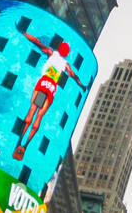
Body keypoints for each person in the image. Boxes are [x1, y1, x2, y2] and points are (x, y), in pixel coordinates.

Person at [14, 32, 88, 160]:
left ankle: (19, 142)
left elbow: (36, 41)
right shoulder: (66, 65)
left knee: (31, 111)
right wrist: (82, 86)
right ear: (67, 53)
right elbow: (74, 77)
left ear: (59, 49)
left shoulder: (51, 52)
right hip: (51, 88)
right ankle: (25, 146)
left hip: (43, 83)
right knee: (39, 116)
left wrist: (24, 32)